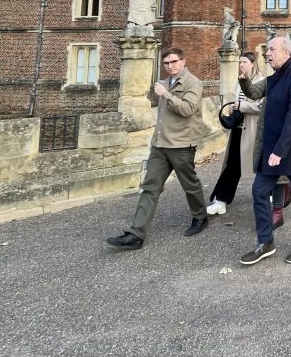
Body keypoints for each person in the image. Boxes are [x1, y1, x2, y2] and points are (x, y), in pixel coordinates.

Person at [105, 48, 209, 250]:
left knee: (190, 184)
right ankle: (136, 234)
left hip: (181, 144)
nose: (170, 66)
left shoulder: (192, 83)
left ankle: (200, 216)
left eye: (174, 62)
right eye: (167, 63)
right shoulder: (165, 82)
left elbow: (188, 109)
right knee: (150, 187)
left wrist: (167, 95)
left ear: (183, 61)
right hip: (160, 144)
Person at [238, 35, 291, 265]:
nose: (267, 53)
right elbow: (254, 93)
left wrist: (280, 151)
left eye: (271, 49)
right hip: (271, 148)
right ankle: (266, 241)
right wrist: (244, 81)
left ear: (286, 52)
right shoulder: (274, 79)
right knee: (259, 191)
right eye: (267, 50)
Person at [206, 53, 264, 216]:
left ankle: (274, 193)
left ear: (253, 63)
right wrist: (233, 107)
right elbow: (236, 101)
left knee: (261, 164)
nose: (241, 65)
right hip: (238, 129)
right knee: (233, 165)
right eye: (240, 62)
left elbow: (261, 106)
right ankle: (220, 200)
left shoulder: (261, 81)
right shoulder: (239, 81)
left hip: (254, 130)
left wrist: (243, 106)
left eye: (244, 62)